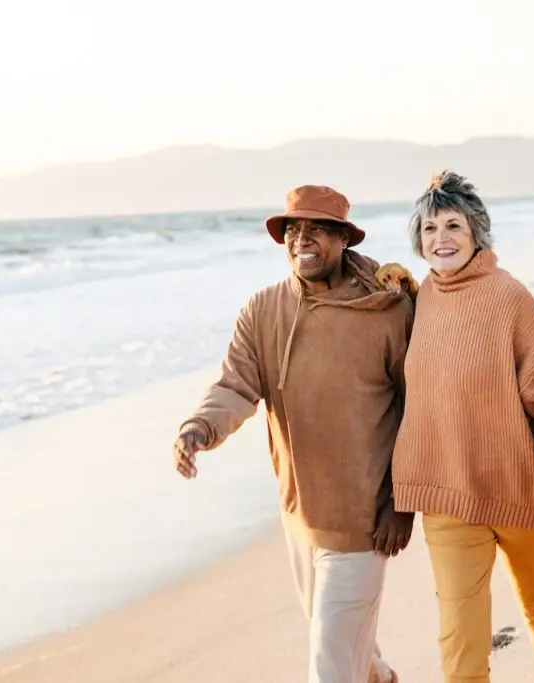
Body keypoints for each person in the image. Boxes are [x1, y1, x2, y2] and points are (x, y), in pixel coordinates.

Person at [172, 184, 415, 683]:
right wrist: (199, 427)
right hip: (299, 513)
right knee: (342, 642)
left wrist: (401, 500)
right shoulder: (263, 311)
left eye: (318, 230)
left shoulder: (387, 311)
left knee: (329, 662)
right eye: (294, 229)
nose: (303, 239)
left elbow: (418, 408)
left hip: (366, 520)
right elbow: (235, 384)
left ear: (344, 239)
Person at [387, 170, 534, 683]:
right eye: (429, 229)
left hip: (520, 485)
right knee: (459, 627)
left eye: (453, 225)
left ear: (477, 232)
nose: (441, 239)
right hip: (449, 490)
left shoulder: (510, 298)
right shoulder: (418, 300)